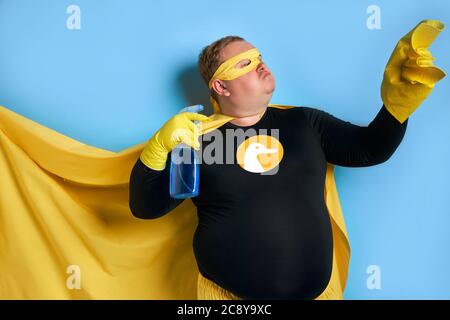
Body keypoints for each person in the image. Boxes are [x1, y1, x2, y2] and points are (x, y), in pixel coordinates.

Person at [129, 20, 445, 300]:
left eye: (259, 57)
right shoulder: (196, 140)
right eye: (245, 63)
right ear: (220, 86)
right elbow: (147, 207)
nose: (259, 64)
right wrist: (157, 148)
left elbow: (369, 149)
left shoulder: (304, 122)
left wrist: (397, 106)